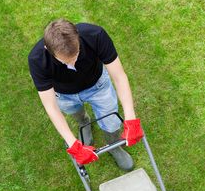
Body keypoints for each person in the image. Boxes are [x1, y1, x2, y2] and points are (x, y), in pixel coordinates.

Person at [27, 19, 144, 169]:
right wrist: (73, 144)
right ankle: (84, 123)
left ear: (78, 36)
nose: (72, 64)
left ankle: (114, 146)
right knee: (75, 113)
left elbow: (119, 77)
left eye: (76, 55)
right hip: (64, 95)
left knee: (112, 122)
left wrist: (130, 117)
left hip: (98, 86)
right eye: (65, 61)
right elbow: (51, 106)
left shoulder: (96, 35)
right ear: (47, 49)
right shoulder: (37, 59)